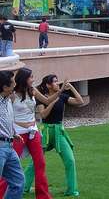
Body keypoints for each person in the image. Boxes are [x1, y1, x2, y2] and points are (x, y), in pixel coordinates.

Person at [0, 68, 67, 199]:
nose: (33, 79)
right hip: (16, 133)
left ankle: (43, 196)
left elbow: (46, 101)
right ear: (24, 79)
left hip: (30, 132)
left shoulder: (31, 91)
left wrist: (61, 89)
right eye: (31, 77)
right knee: (8, 172)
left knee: (38, 164)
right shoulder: (10, 95)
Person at [24, 74, 84, 197]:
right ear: (48, 85)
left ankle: (71, 190)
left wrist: (71, 87)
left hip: (59, 132)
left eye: (58, 82)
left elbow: (80, 101)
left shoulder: (62, 96)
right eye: (55, 82)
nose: (58, 84)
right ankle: (24, 187)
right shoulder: (42, 98)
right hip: (45, 131)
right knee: (35, 162)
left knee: (70, 160)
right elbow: (43, 115)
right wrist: (52, 102)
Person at [0, 70, 24, 199]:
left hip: (9, 146)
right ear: (5, 87)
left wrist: (13, 133)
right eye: (13, 83)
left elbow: (6, 120)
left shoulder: (8, 100)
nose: (15, 85)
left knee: (18, 182)